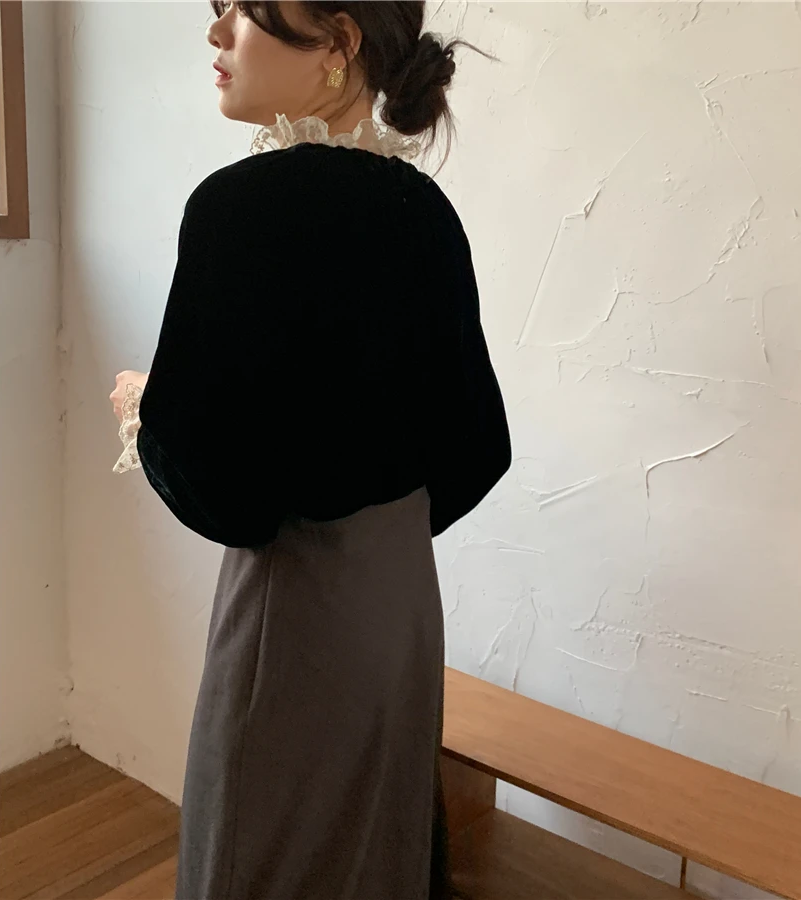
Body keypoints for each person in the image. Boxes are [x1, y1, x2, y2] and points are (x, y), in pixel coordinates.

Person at [108, 2, 511, 898]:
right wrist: (377, 523)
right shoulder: (426, 212)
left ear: (337, 42)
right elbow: (480, 446)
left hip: (295, 618)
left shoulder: (238, 209)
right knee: (377, 854)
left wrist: (143, 406)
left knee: (259, 851)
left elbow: (224, 494)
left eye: (245, 11)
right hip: (400, 610)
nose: (216, 34)